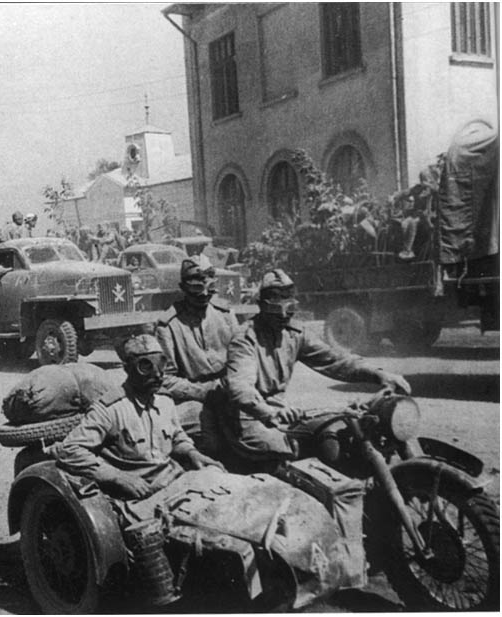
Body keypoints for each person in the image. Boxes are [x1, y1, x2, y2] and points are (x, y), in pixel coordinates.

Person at [52, 334, 222, 605]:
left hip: (175, 482)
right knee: (152, 540)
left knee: (223, 490)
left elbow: (177, 436)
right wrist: (118, 477)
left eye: (161, 364)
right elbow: (70, 449)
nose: (157, 374)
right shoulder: (110, 409)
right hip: (138, 497)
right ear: (128, 369)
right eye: (146, 366)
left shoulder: (165, 402)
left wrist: (193, 453)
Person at [222, 269, 411, 467]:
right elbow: (240, 389)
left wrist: (379, 375)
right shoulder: (245, 339)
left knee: (341, 436)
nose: (284, 315)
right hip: (248, 420)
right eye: (276, 309)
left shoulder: (295, 333)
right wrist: (269, 412)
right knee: (287, 451)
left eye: (290, 307)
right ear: (262, 306)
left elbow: (336, 360)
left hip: (281, 415)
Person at [155, 255, 238, 453]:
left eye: (210, 288)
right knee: (209, 439)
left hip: (230, 390)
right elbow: (165, 379)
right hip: (192, 398)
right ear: (183, 287)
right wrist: (204, 392)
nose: (204, 295)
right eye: (196, 289)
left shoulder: (226, 315)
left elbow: (242, 359)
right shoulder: (168, 325)